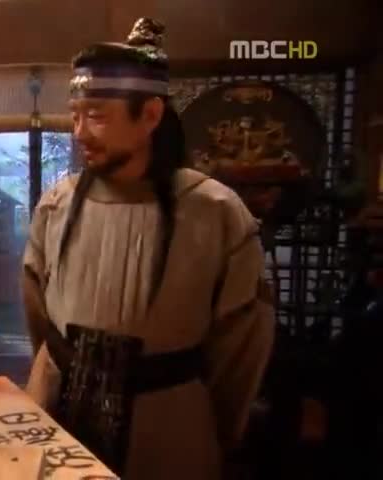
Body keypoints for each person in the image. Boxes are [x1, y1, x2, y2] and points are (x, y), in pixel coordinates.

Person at [22, 18, 275, 479]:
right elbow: (38, 314)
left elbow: (240, 347)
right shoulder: (57, 204)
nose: (80, 132)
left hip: (168, 423)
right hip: (61, 409)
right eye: (76, 115)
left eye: (97, 116)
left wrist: (206, 424)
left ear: (151, 116)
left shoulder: (216, 211)